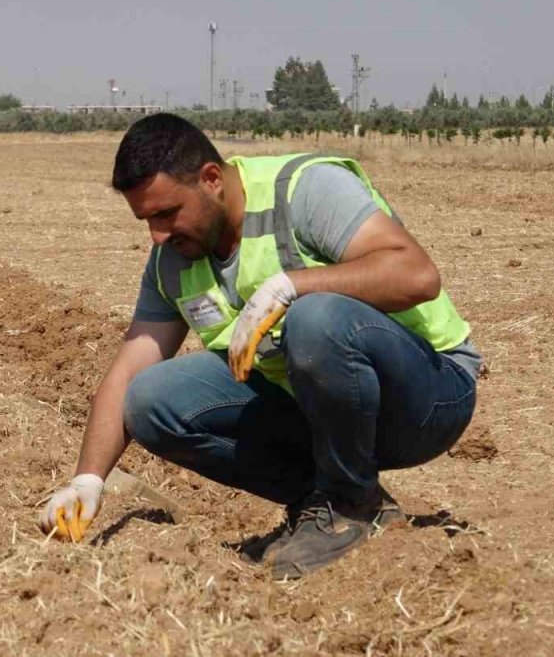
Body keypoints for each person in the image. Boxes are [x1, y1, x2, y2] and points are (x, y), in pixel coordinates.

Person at [38, 114, 480, 579]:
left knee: (315, 316)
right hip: (323, 412)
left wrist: (294, 285)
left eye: (167, 213)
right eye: (146, 220)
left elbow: (417, 275)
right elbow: (129, 368)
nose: (157, 235)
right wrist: (87, 479)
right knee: (150, 399)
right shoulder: (172, 261)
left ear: (211, 179)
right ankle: (333, 500)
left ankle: (350, 506)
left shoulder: (303, 190)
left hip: (426, 397)